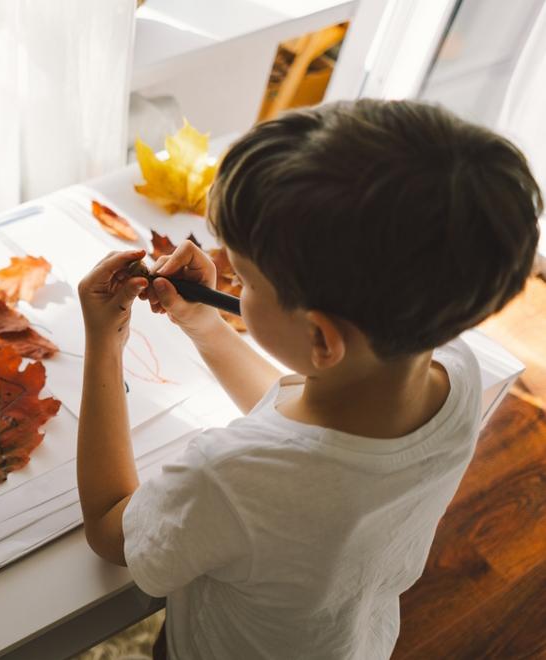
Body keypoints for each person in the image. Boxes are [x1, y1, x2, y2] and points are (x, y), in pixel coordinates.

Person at [75, 99, 542, 659]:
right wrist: (205, 324)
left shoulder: (227, 476)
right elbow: (304, 423)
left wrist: (104, 342)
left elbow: (110, 531)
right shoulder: (453, 367)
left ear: (320, 339)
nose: (231, 284)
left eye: (242, 279)